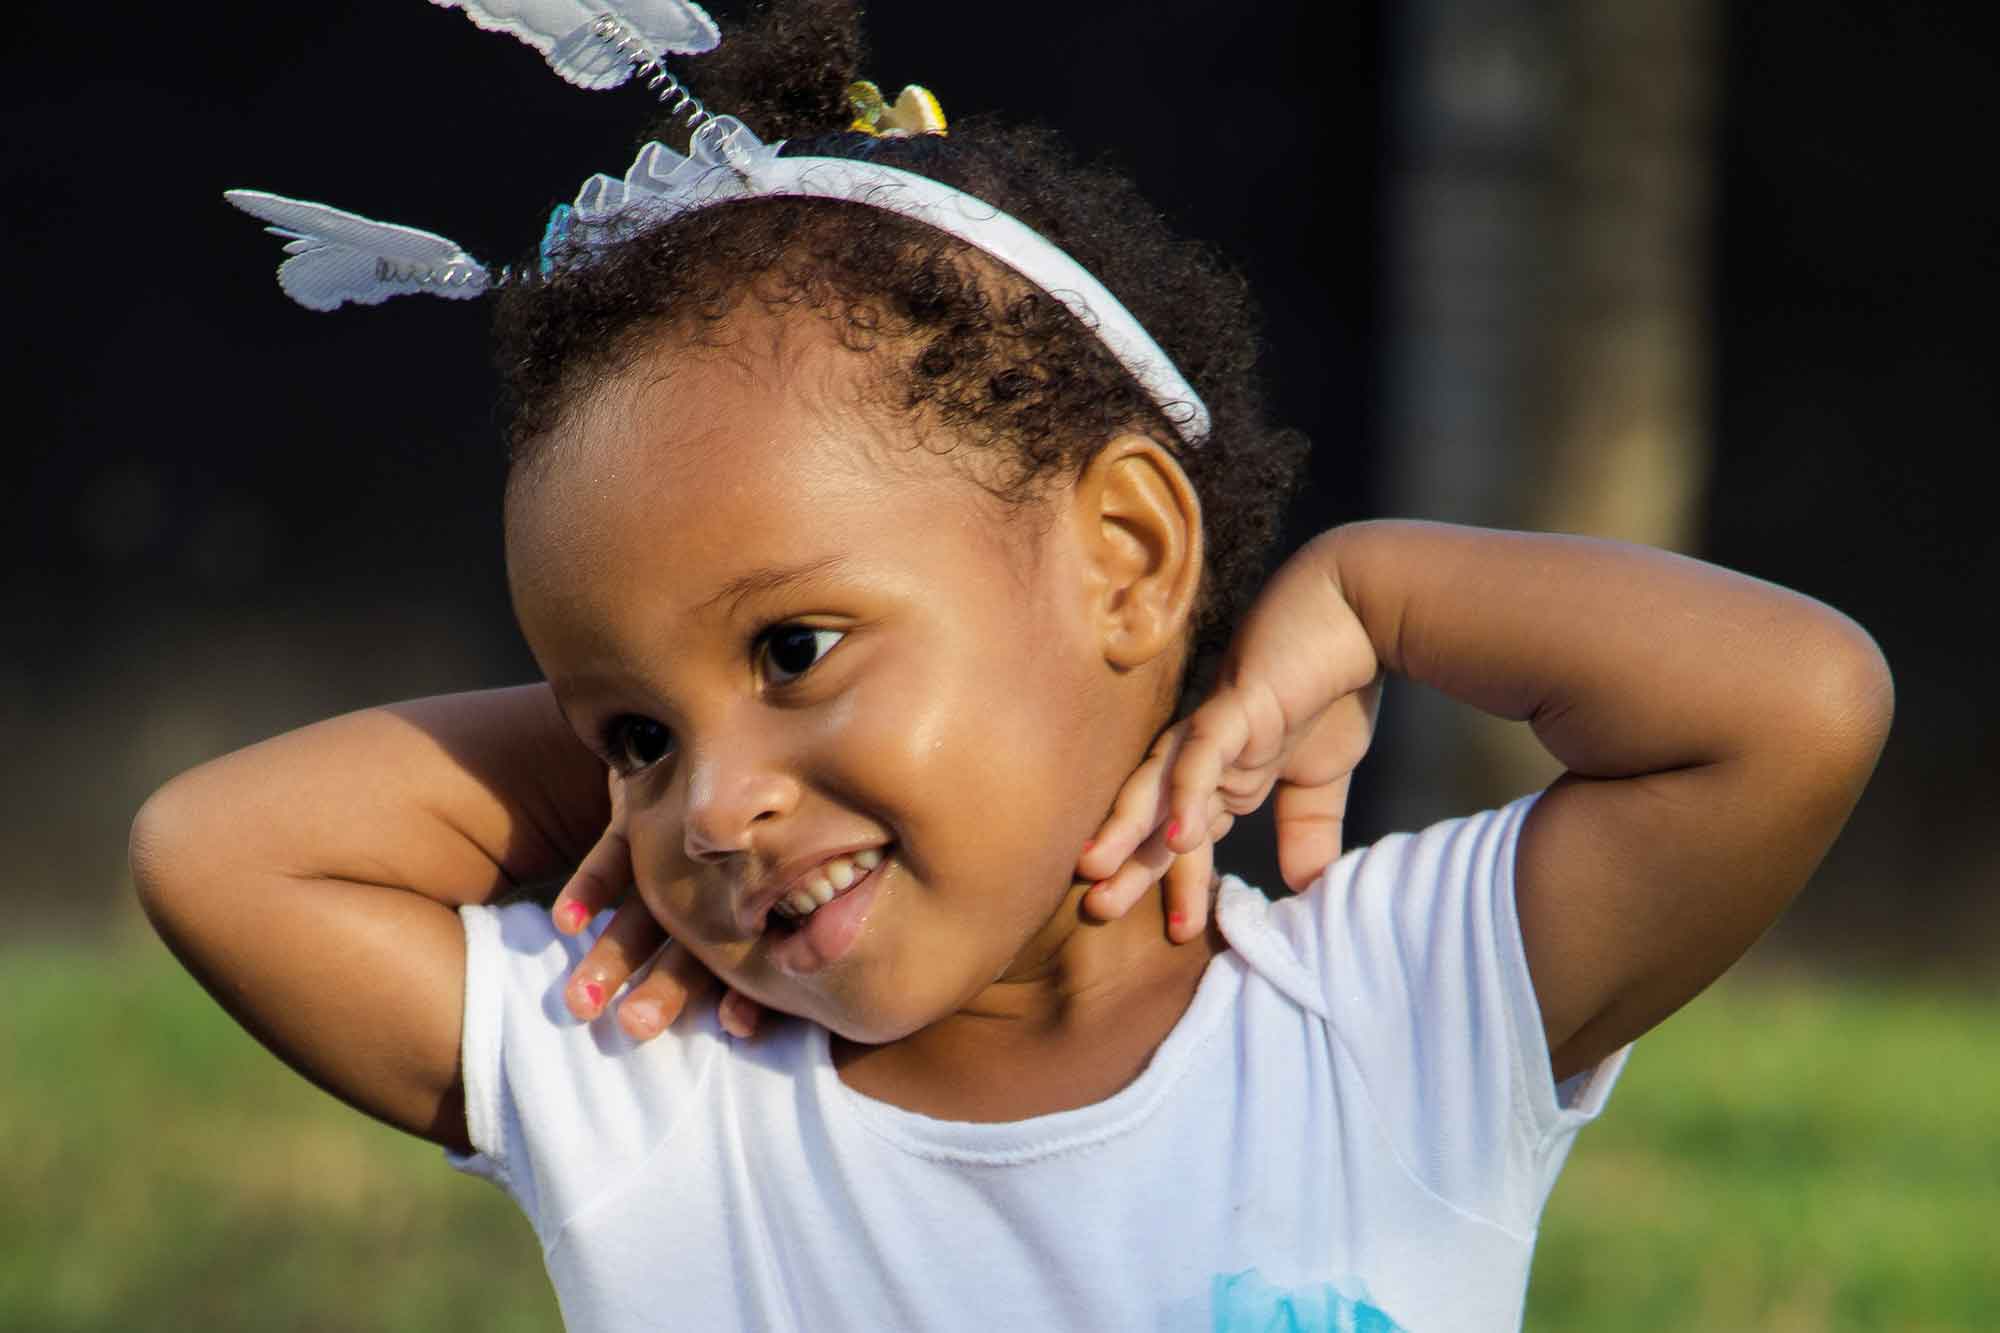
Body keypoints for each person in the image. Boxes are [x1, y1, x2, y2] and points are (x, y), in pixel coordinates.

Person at [130, 1, 1893, 1327]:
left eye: (795, 645)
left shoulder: (1385, 1010)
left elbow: (1793, 709)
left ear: (1126, 560)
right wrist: (628, 765)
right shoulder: (651, 1081)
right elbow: (213, 854)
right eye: (641, 733)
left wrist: (1378, 600)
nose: (718, 804)